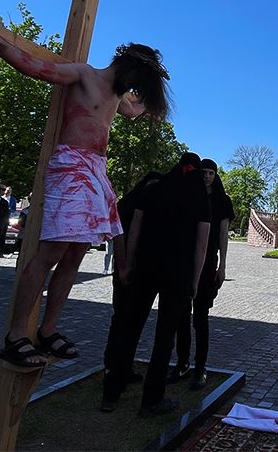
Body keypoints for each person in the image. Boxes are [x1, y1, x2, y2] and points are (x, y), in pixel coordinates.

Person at [0, 11, 172, 370]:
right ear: (125, 67)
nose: (133, 92)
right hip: (71, 166)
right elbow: (37, 67)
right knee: (50, 253)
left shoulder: (118, 97)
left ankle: (48, 329)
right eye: (137, 83)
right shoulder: (84, 74)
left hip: (95, 171)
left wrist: (155, 104)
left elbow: (134, 112)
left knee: (76, 254)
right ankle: (15, 336)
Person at [121, 153, 211, 416]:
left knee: (131, 327)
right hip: (178, 274)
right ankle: (151, 399)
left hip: (146, 268)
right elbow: (201, 246)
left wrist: (129, 262)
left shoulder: (154, 190)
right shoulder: (199, 198)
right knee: (164, 337)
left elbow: (135, 229)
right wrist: (194, 280)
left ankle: (113, 389)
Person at [100, 172, 163, 411]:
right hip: (130, 269)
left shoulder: (130, 203)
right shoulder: (133, 206)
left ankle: (116, 367)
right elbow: (121, 236)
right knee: (127, 322)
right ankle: (115, 372)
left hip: (127, 269)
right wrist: (125, 266)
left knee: (122, 319)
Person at [172, 158, 233, 389]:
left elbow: (224, 234)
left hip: (208, 262)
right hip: (187, 261)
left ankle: (200, 366)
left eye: (211, 173)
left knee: (200, 317)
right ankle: (182, 362)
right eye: (204, 172)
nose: (207, 176)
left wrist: (222, 266)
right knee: (181, 316)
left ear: (215, 176)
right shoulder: (191, 196)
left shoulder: (222, 201)